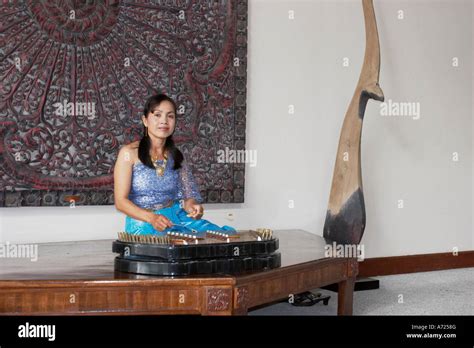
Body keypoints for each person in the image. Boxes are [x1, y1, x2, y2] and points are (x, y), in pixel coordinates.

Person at [113, 94, 236, 237]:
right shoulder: (128, 153)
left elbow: (189, 196)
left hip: (176, 218)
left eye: (170, 116)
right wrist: (152, 218)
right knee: (171, 248)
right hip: (143, 222)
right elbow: (120, 202)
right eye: (157, 115)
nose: (164, 121)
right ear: (145, 120)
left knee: (220, 236)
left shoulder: (176, 156)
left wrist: (193, 207)